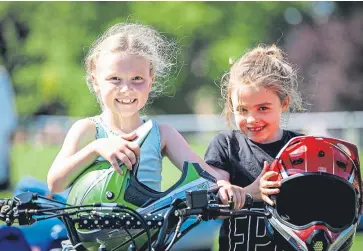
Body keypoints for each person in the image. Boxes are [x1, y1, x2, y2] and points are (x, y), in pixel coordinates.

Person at [47, 22, 225, 195]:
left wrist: (231, 186)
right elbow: (55, 184)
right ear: (96, 82)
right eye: (115, 79)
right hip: (94, 225)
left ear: (151, 81)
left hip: (149, 226)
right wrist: (96, 148)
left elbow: (208, 178)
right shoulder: (89, 130)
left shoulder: (162, 134)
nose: (126, 89)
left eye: (137, 79)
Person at [205, 44, 305, 251]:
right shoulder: (225, 145)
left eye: (263, 108)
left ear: (284, 103)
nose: (252, 119)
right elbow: (213, 203)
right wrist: (250, 193)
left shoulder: (301, 148)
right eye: (242, 110)